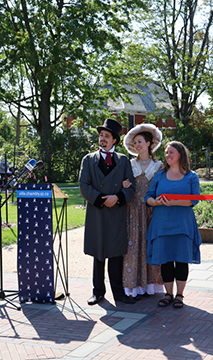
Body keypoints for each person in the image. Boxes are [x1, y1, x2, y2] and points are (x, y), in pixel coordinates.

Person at [79, 118, 136, 305]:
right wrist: (101, 200)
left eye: (106, 136)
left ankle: (118, 293)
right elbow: (84, 185)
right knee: (98, 253)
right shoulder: (88, 160)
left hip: (116, 213)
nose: (102, 139)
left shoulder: (123, 161)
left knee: (116, 254)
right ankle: (97, 292)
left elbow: (131, 187)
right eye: (101, 135)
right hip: (96, 212)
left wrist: (117, 197)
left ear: (114, 141)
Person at [145, 141, 202, 309]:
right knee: (166, 260)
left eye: (172, 152)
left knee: (181, 260)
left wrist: (175, 202)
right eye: (167, 152)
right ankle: (168, 294)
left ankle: (180, 295)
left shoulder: (191, 176)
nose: (168, 155)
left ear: (180, 155)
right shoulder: (159, 175)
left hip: (183, 225)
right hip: (161, 225)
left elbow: (195, 199)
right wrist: (155, 202)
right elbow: (148, 197)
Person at [120, 123, 165, 301]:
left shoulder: (159, 166)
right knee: (132, 248)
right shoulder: (129, 165)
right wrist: (123, 185)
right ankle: (133, 287)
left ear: (149, 143)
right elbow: (120, 185)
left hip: (151, 212)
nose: (137, 145)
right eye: (135, 143)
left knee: (151, 247)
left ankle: (151, 286)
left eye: (140, 142)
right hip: (132, 212)